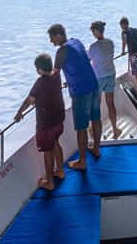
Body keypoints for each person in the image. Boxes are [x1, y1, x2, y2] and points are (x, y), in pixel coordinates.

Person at [49, 23, 101, 169]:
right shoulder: (76, 41)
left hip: (81, 92)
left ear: (59, 35)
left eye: (52, 38)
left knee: (81, 127)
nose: (51, 42)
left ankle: (82, 161)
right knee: (96, 118)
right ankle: (96, 148)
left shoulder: (62, 51)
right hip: (93, 85)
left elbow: (54, 74)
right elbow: (81, 62)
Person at [14, 53, 65, 190]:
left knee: (47, 152)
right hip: (59, 120)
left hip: (46, 125)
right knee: (56, 143)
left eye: (37, 68)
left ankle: (49, 182)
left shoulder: (40, 83)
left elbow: (29, 100)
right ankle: (60, 171)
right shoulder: (56, 75)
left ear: (40, 70)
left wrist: (19, 113)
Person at [88, 20, 121, 139]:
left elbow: (88, 59)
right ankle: (115, 128)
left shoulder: (93, 47)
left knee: (95, 105)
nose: (92, 33)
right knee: (110, 103)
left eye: (93, 31)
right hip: (111, 74)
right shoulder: (110, 43)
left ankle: (93, 129)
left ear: (97, 31)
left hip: (99, 77)